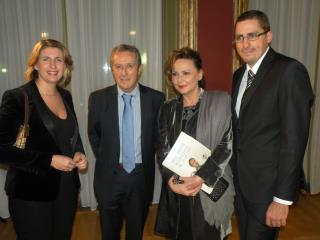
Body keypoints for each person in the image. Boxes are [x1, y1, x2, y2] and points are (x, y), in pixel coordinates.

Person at [231, 10, 314, 240]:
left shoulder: (289, 71)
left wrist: (282, 198)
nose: (245, 43)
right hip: (243, 187)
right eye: (239, 37)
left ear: (269, 36)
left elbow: (294, 138)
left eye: (252, 35)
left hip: (269, 192)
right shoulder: (239, 76)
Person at [0, 39, 87, 240]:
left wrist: (79, 152)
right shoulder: (17, 97)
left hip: (66, 189)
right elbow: (2, 149)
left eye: (59, 60)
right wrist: (49, 160)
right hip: (30, 193)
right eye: (46, 59)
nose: (53, 65)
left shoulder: (66, 96)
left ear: (66, 65)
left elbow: (71, 136)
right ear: (35, 64)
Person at [155, 47, 235, 240]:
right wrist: (172, 182)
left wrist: (201, 177)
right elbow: (162, 149)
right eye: (175, 74)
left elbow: (226, 145)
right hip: (178, 189)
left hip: (207, 186)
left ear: (200, 74)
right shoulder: (168, 108)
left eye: (186, 73)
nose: (179, 79)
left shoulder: (220, 103)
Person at [88, 44, 165, 240]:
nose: (124, 72)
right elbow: (94, 135)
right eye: (118, 66)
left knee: (136, 231)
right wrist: (109, 158)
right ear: (112, 68)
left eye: (129, 66)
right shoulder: (98, 99)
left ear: (139, 69)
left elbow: (159, 137)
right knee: (109, 232)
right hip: (109, 177)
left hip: (141, 176)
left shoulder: (156, 99)